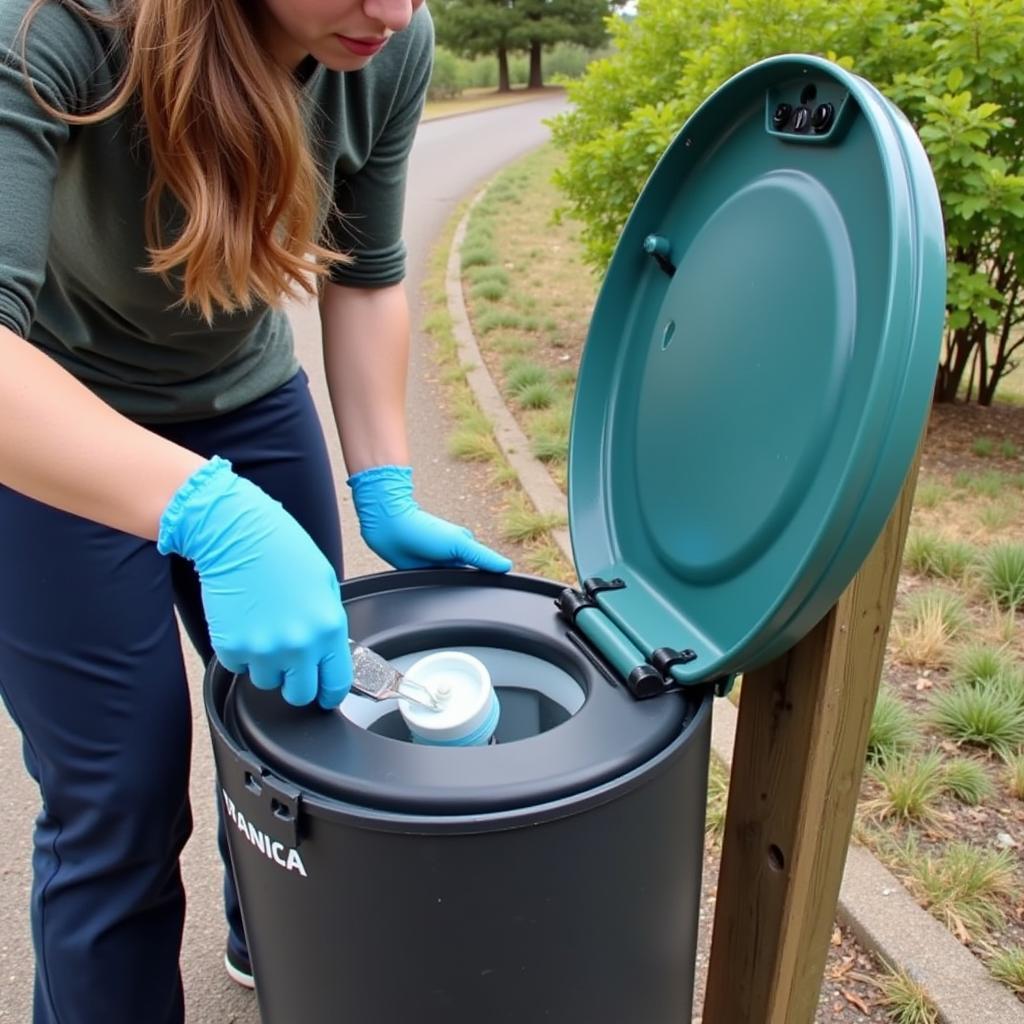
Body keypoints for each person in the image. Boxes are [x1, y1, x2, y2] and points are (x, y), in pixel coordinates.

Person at [0, 0, 512, 1020]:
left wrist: (385, 481)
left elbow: (366, 277)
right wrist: (210, 511)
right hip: (52, 423)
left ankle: (269, 934)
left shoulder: (388, 47)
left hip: (248, 397)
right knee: (121, 798)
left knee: (301, 712)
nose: (393, 9)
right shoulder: (49, 31)